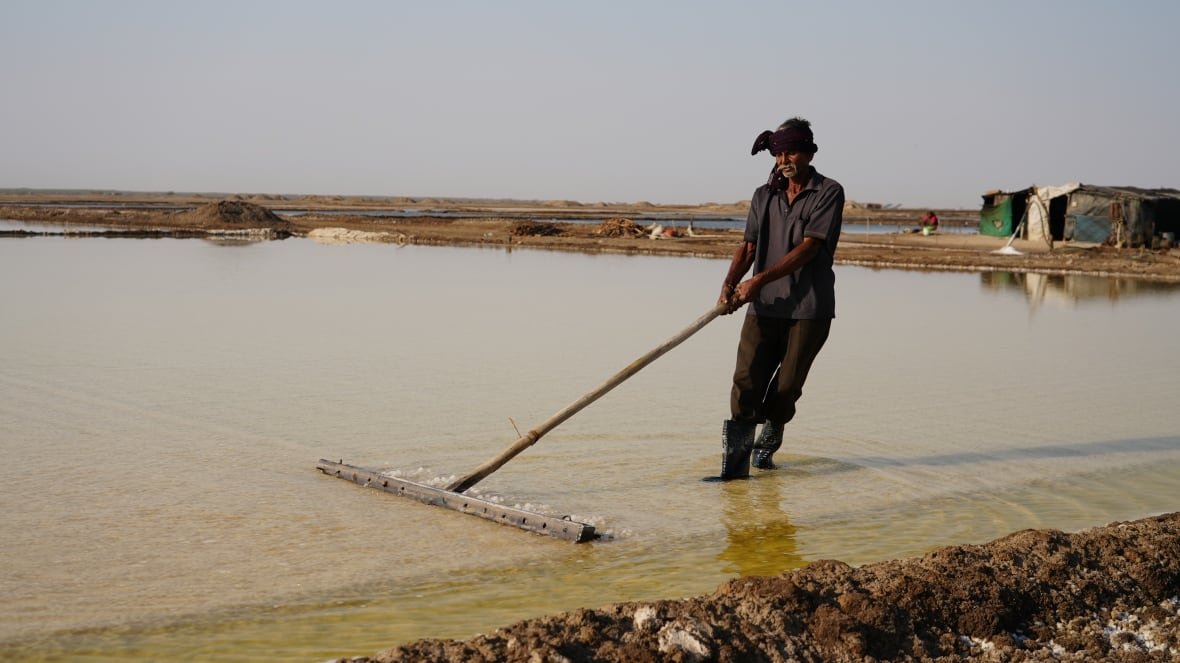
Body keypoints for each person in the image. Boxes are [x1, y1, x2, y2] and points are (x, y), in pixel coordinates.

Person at [712, 117, 844, 480]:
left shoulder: (828, 191)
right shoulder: (763, 195)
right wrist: (730, 281)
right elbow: (749, 245)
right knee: (745, 384)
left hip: (809, 308)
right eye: (779, 153)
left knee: (785, 389)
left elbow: (809, 249)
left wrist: (757, 280)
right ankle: (734, 475)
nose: (785, 160)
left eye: (792, 152)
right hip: (764, 306)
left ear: (810, 152)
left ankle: (767, 445)